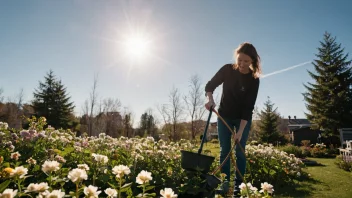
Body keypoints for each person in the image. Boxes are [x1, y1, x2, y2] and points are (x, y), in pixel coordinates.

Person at [204, 42, 261, 196]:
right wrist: (210, 99)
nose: (242, 64)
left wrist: (241, 131)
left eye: (246, 61)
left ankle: (239, 186)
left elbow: (248, 107)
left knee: (240, 151)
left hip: (243, 119)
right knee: (224, 151)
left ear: (253, 62)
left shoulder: (254, 80)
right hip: (224, 117)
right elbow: (210, 85)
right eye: (239, 59)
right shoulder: (227, 70)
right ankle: (224, 183)